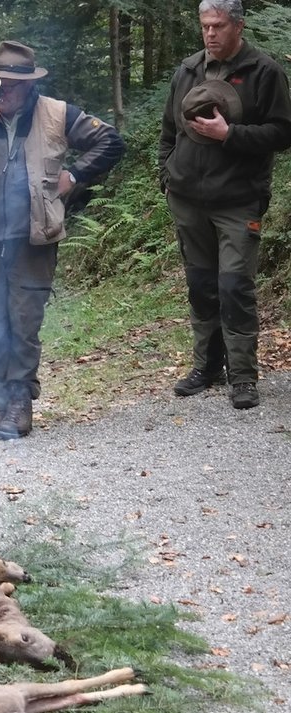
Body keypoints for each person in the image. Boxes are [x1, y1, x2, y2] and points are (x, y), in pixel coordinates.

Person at [0, 41, 124, 439]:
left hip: (33, 237)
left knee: (23, 320)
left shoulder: (56, 113)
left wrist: (74, 175)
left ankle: (20, 400)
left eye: (10, 85)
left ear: (28, 86)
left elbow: (110, 142)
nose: (1, 91)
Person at [159, 0, 291, 410]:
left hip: (238, 199)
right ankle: (207, 367)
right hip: (188, 199)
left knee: (234, 286)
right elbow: (169, 130)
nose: (210, 34)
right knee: (201, 286)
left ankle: (244, 376)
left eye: (218, 26)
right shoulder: (188, 69)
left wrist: (228, 134)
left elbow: (282, 133)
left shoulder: (264, 72)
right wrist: (166, 174)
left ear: (238, 25)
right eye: (205, 27)